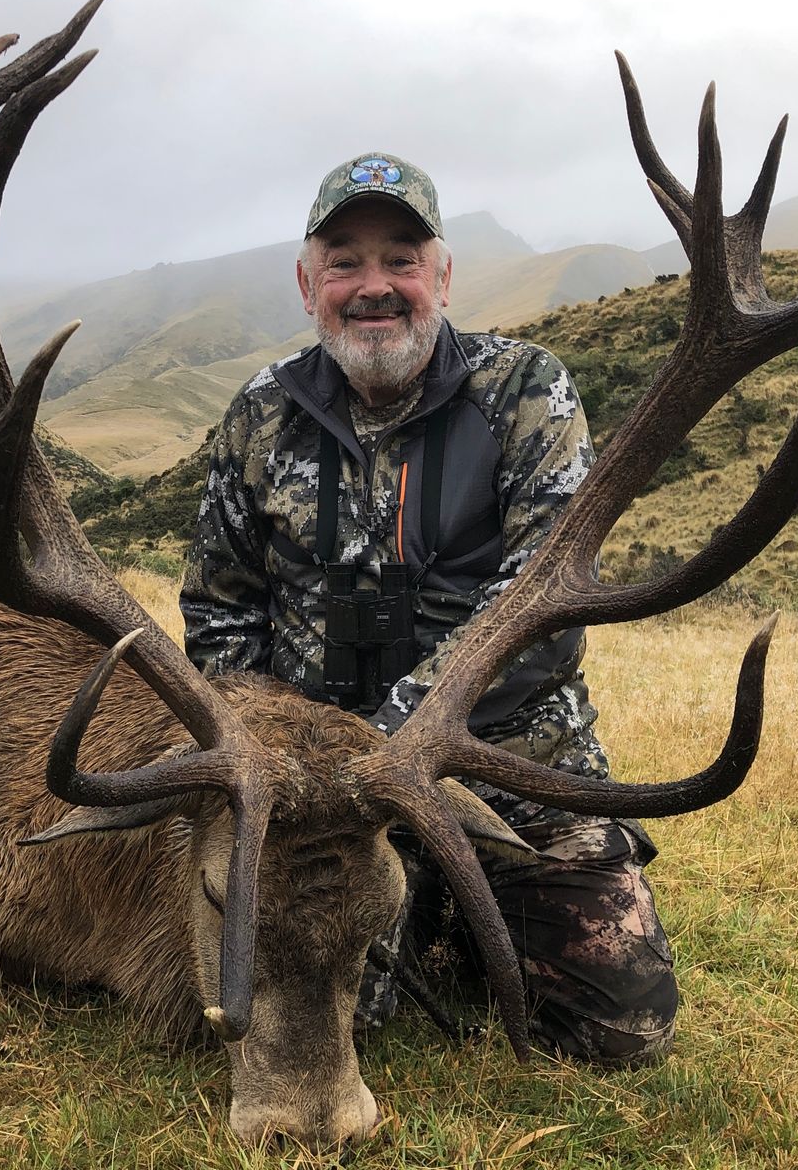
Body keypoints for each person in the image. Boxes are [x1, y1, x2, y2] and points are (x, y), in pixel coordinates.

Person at [180, 153, 677, 1066]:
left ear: (443, 276)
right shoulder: (258, 416)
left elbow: (544, 620)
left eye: (401, 258)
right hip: (314, 801)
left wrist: (388, 753)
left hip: (504, 773)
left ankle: (444, 911)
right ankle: (419, 917)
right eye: (345, 262)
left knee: (619, 1026)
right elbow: (220, 617)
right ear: (307, 284)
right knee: (289, 1009)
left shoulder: (528, 394)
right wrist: (276, 765)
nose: (375, 287)